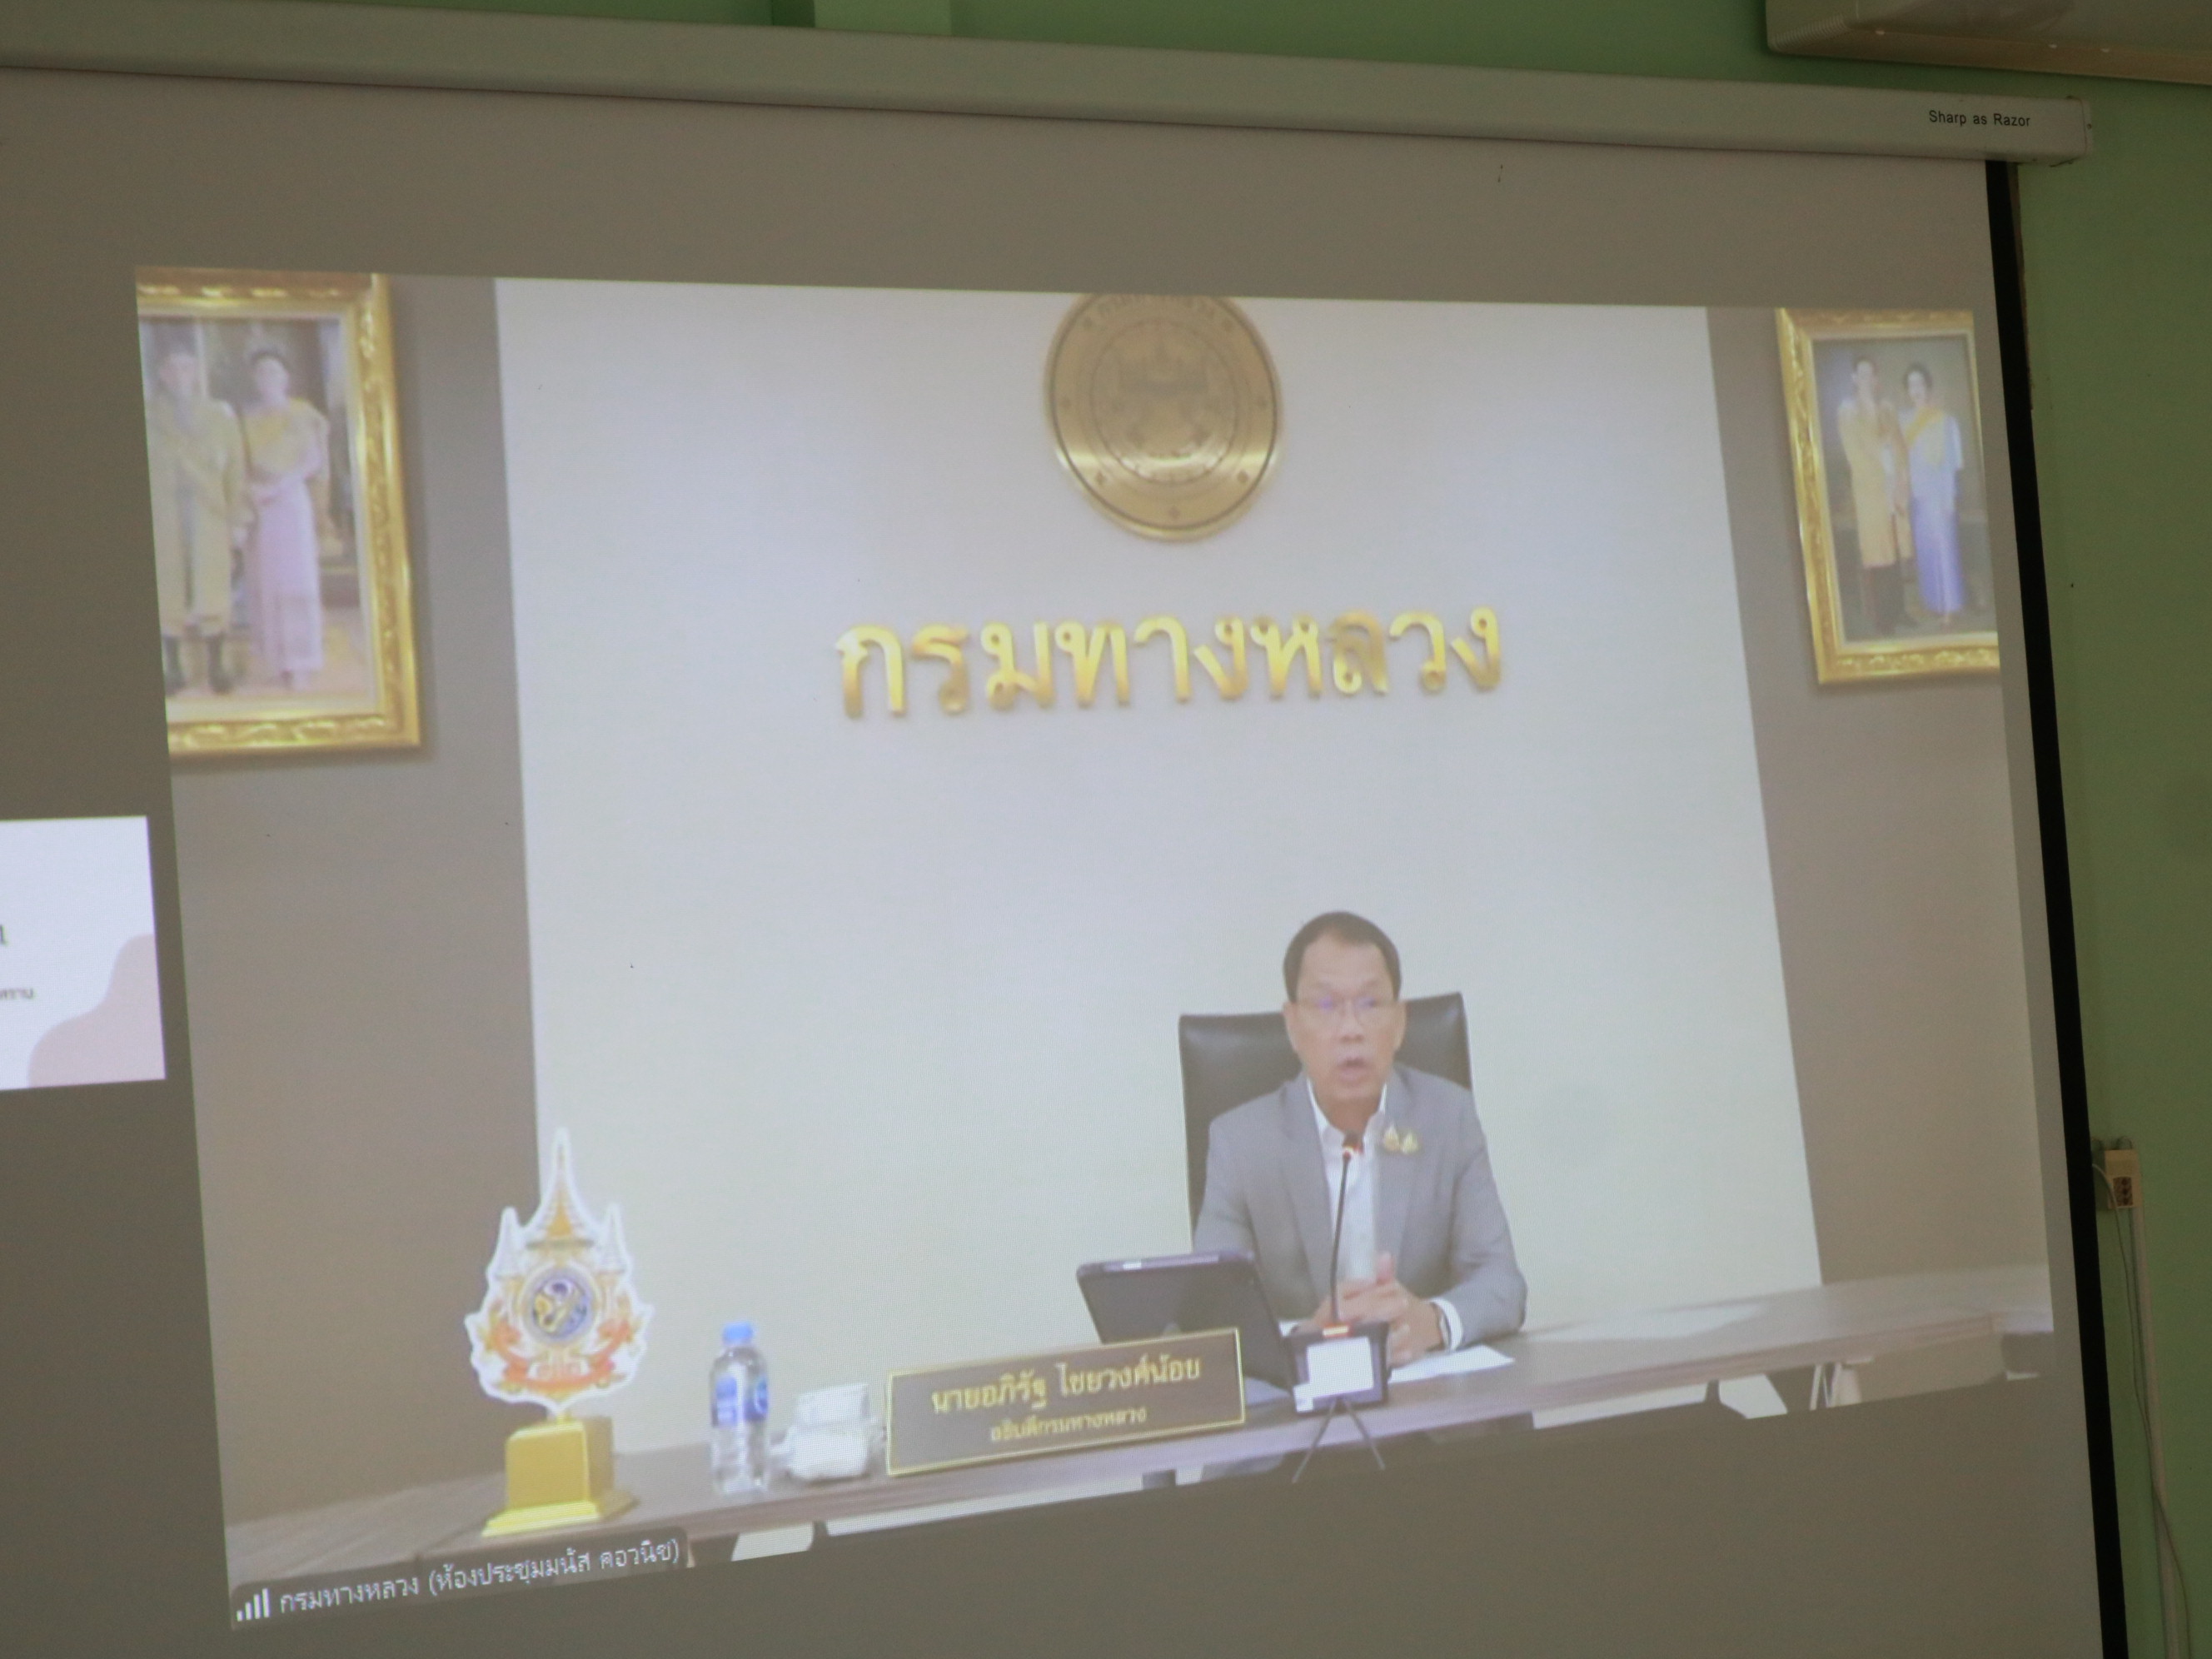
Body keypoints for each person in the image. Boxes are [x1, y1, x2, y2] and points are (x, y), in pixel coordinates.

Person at [1193, 913, 1525, 1364]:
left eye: (1370, 1004)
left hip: (1425, 1392)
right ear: (1292, 1024)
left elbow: (1501, 1283)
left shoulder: (1448, 1117)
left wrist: (1432, 1321)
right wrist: (1306, 1337)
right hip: (1303, 1400)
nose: (1350, 1029)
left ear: (1400, 1022)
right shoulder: (1239, 1143)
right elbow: (1214, 1313)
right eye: (1326, 1005)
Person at [145, 346, 246, 695]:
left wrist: (238, 520)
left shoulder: (219, 415)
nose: (179, 375)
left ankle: (218, 666)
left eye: (186, 367)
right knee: (167, 587)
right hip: (164, 514)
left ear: (197, 371)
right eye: (172, 368)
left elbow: (235, 470)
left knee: (212, 585)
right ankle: (173, 668)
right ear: (162, 374)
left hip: (207, 512)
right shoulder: (149, 414)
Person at [239, 348, 331, 692]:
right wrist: (253, 492)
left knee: (296, 580)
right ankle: (276, 660)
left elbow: (312, 460)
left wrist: (278, 487)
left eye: (275, 372)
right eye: (262, 372)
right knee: (266, 581)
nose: (269, 378)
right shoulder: (247, 418)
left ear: (286, 377)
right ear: (254, 378)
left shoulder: (301, 414)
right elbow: (240, 462)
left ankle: (301, 661)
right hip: (260, 505)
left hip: (290, 501)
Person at [1835, 356, 1915, 637]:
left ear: (1877, 379)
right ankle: (1884, 618)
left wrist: (1901, 478)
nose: (1867, 380)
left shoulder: (1887, 409)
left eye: (1871, 374)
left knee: (1895, 549)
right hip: (1871, 491)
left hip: (1895, 488)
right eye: (1862, 374)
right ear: (1854, 379)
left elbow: (1900, 446)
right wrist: (1883, 473)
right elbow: (1855, 455)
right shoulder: (1848, 412)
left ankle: (1899, 610)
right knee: (1879, 555)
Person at [1902, 363, 1969, 628]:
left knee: (1945, 550)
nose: (1916, 389)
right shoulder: (1904, 421)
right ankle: (1933, 603)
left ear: (1928, 386)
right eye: (1911, 385)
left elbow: (1951, 463)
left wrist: (1949, 497)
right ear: (1907, 391)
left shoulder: (1944, 420)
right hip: (1918, 496)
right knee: (1926, 551)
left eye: (1920, 383)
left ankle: (1950, 608)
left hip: (1940, 495)